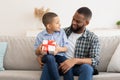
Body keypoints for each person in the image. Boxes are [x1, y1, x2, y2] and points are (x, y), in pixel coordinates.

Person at [36, 7, 100, 80]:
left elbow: (95, 60)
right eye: (73, 19)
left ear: (86, 23)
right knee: (49, 65)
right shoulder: (60, 32)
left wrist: (74, 61)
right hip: (60, 65)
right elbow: (48, 44)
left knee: (87, 68)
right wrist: (40, 57)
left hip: (77, 67)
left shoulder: (92, 38)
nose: (73, 22)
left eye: (78, 21)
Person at [34, 12, 73, 80]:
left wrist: (58, 49)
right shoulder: (40, 35)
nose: (60, 24)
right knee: (50, 57)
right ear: (49, 26)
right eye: (57, 23)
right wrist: (39, 50)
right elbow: (36, 52)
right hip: (47, 57)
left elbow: (66, 48)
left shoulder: (61, 33)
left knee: (66, 63)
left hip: (59, 55)